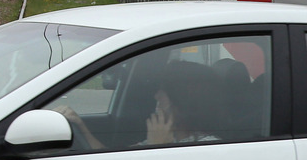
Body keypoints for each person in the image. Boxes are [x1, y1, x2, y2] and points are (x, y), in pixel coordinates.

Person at [54, 60, 221, 150]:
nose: (156, 96)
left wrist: (159, 149)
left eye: (163, 91)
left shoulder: (208, 145)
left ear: (181, 99)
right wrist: (81, 127)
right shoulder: (165, 136)